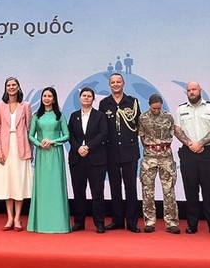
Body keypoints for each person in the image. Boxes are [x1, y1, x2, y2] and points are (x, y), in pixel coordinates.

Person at [173, 81, 210, 235]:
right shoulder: (181, 109)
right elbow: (177, 130)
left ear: (200, 90)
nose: (191, 92)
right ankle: (192, 225)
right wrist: (190, 144)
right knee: (191, 191)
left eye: (194, 89)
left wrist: (200, 143)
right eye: (189, 90)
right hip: (188, 153)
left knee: (209, 191)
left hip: (207, 153)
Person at [98, 73, 141, 233]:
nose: (116, 84)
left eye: (118, 82)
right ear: (109, 85)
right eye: (113, 82)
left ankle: (132, 222)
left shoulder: (133, 102)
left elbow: (138, 125)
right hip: (111, 151)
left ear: (123, 83)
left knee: (131, 188)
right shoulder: (104, 103)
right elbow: (101, 127)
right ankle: (117, 220)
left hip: (130, 151)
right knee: (115, 187)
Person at [0, 77, 33, 231]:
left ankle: (18, 218)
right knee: (8, 183)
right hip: (5, 148)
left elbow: (30, 129)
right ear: (5, 88)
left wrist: (30, 151)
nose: (11, 87)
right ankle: (9, 217)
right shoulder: (0, 105)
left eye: (14, 85)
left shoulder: (26, 105)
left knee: (19, 183)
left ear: (19, 87)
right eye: (8, 85)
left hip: (21, 147)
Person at [27, 87, 70, 233]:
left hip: (55, 153)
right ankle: (40, 223)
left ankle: (59, 223)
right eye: (44, 96)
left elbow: (67, 135)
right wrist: (39, 143)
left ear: (54, 98)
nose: (46, 98)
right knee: (42, 187)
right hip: (42, 154)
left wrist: (53, 141)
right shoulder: (36, 116)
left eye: (49, 96)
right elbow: (30, 135)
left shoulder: (60, 116)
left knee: (56, 186)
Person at [67, 87, 108, 234]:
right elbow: (70, 134)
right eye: (84, 95)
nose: (86, 98)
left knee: (97, 192)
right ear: (79, 98)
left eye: (89, 96)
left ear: (93, 99)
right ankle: (79, 222)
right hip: (77, 159)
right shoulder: (73, 116)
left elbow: (103, 134)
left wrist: (88, 147)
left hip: (96, 159)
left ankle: (99, 223)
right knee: (79, 192)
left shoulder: (100, 116)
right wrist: (78, 148)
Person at [138, 94, 180, 234]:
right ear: (149, 105)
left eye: (158, 108)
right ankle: (149, 222)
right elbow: (142, 136)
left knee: (169, 190)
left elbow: (173, 134)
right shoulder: (143, 118)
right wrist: (151, 148)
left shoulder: (168, 117)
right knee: (148, 190)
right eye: (153, 108)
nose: (156, 110)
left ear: (161, 105)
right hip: (149, 155)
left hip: (166, 156)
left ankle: (171, 223)